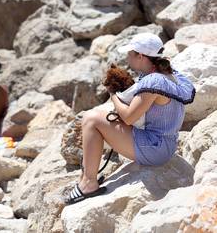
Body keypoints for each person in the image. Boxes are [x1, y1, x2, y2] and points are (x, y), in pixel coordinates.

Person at [66, 33, 195, 205]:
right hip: (165, 143)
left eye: (130, 54)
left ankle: (89, 183)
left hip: (156, 148)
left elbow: (128, 118)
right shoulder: (168, 73)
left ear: (140, 56)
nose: (127, 58)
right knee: (95, 118)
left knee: (91, 119)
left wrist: (113, 95)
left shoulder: (153, 82)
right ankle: (86, 178)